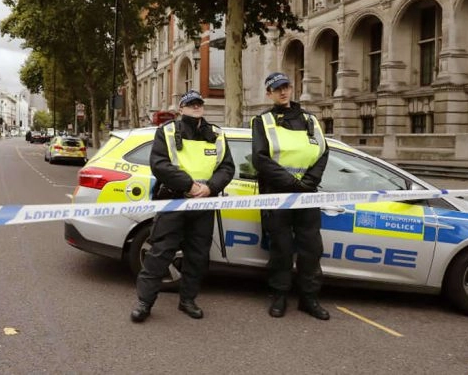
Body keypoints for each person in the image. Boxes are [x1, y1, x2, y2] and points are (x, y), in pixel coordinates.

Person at [131, 89, 235, 322]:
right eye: (190, 104)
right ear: (181, 109)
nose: (196, 107)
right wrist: (189, 186)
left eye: (199, 104)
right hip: (174, 201)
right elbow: (159, 164)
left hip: (203, 204)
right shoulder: (166, 131)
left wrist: (209, 188)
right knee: (159, 253)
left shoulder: (217, 134)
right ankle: (144, 303)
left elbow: (227, 168)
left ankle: (187, 300)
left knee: (197, 256)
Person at [251, 72, 330, 320]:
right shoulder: (262, 121)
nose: (283, 92)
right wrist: (291, 183)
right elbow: (260, 159)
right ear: (269, 93)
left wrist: (307, 183)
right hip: (278, 194)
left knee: (311, 249)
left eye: (286, 87)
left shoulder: (310, 119)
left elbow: (323, 153)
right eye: (277, 89)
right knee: (281, 249)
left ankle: (309, 299)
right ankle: (279, 296)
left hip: (307, 194)